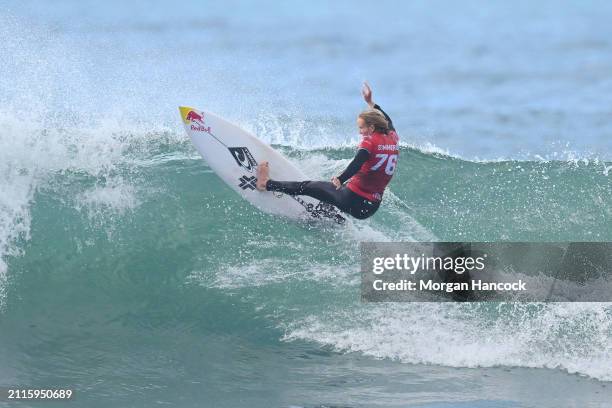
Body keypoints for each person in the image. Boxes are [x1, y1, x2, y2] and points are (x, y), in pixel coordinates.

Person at [256, 82, 399, 220]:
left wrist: (340, 179)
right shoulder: (393, 138)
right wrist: (370, 102)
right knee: (335, 190)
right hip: (370, 207)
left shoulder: (370, 141)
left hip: (353, 200)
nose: (360, 132)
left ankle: (265, 184)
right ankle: (332, 216)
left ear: (372, 128)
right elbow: (388, 120)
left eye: (361, 128)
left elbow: (357, 163)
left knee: (307, 186)